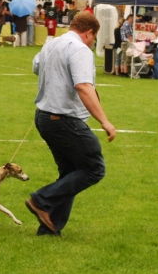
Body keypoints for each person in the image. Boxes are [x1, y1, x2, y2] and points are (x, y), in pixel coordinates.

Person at [27, 12, 115, 236]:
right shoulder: (80, 50)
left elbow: (36, 67)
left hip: (44, 117)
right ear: (89, 33)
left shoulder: (51, 43)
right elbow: (83, 86)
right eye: (93, 38)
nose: (92, 42)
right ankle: (41, 200)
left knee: (70, 172)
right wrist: (104, 121)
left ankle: (50, 229)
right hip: (64, 120)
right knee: (94, 168)